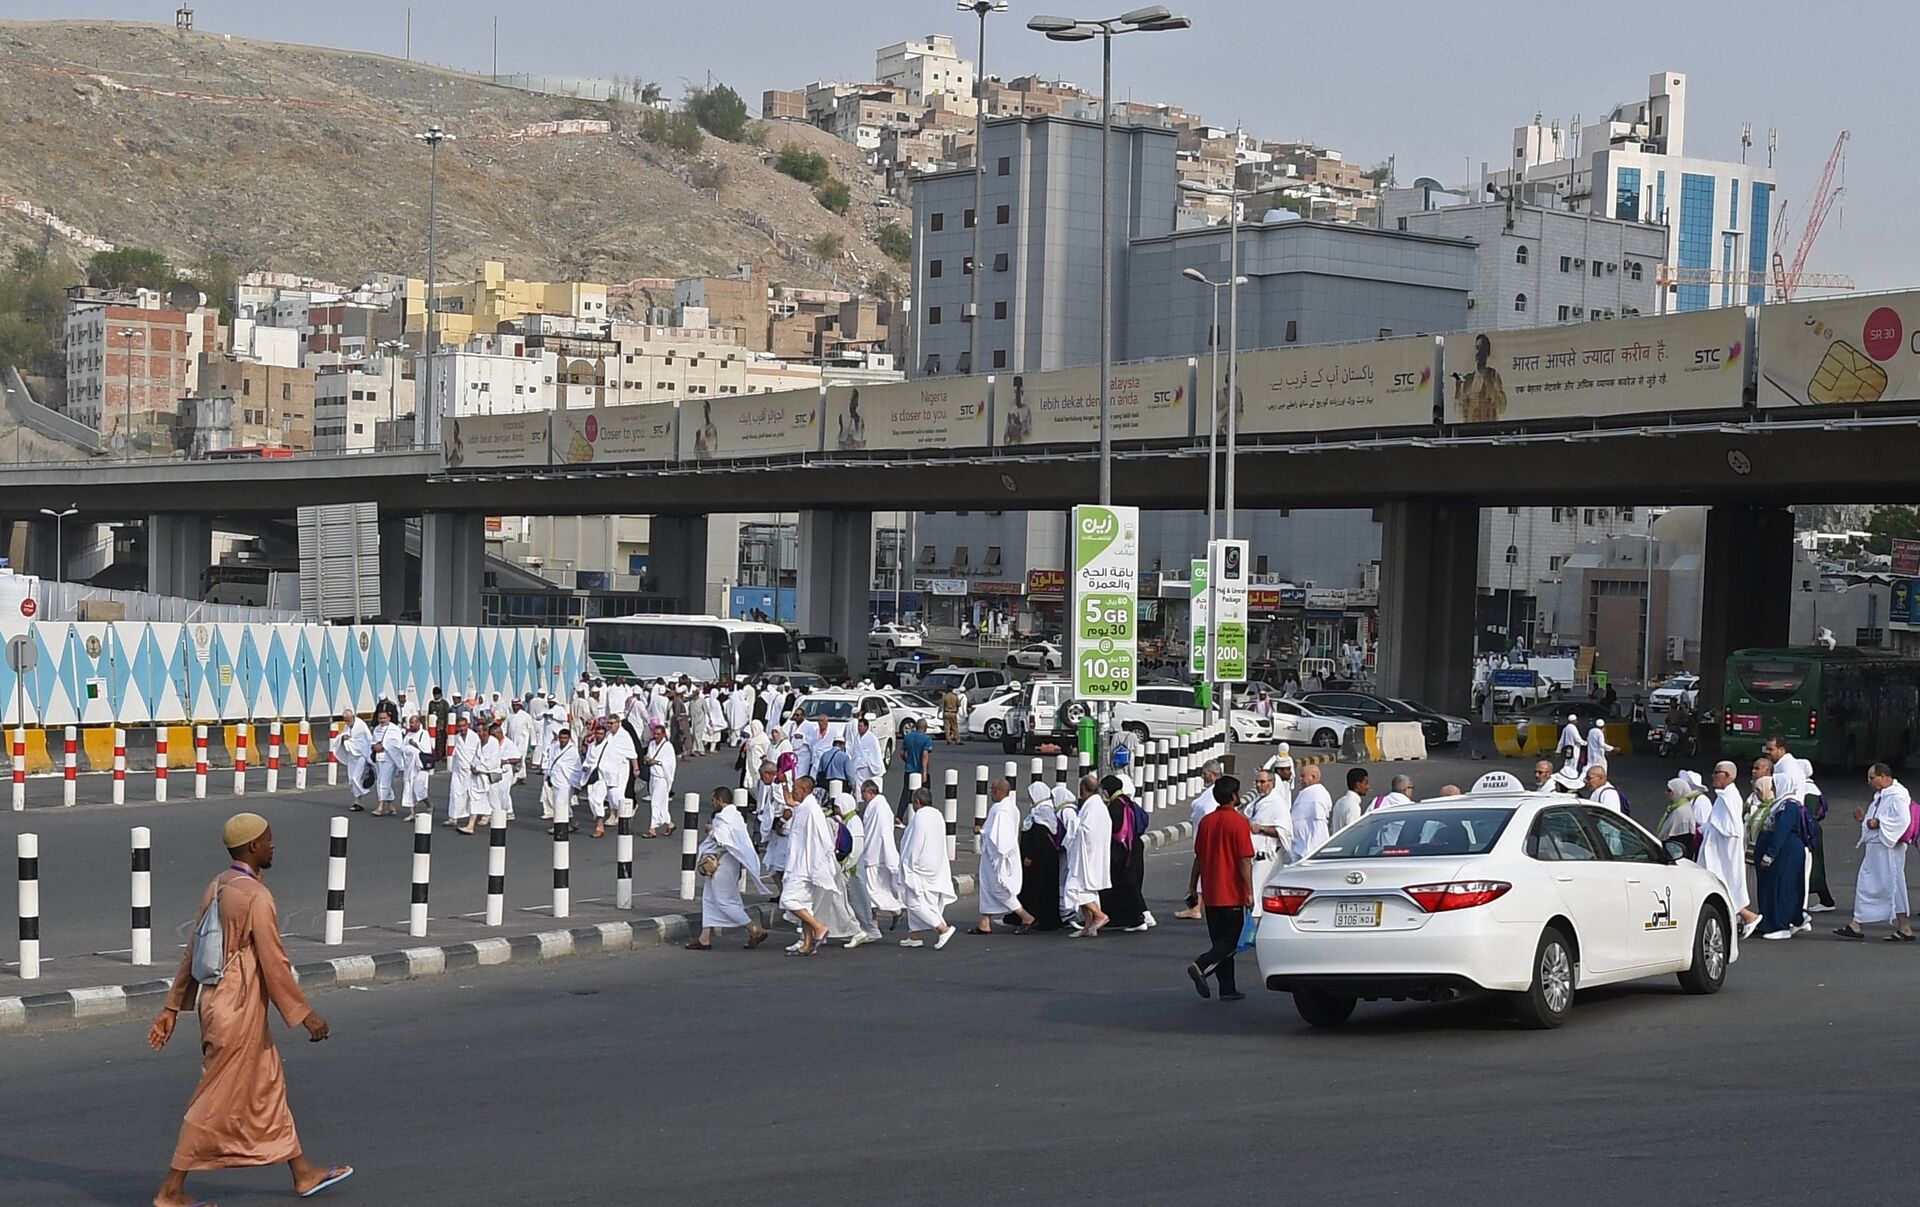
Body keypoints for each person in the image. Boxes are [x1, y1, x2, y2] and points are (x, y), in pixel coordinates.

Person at [148, 813, 351, 1207]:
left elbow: (193, 949)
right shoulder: (257, 897)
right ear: (253, 846)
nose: (273, 846)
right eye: (269, 840)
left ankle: (302, 1172)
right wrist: (305, 1014)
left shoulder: (220, 884)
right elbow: (274, 962)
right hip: (236, 1008)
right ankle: (170, 1190)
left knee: (268, 1085)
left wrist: (173, 1006)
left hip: (220, 1003)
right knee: (213, 1099)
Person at [1185, 776, 1253, 1002]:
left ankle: (1227, 988)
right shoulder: (1239, 823)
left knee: (1220, 942)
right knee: (1231, 943)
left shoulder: (1207, 822)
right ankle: (1201, 965)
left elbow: (1198, 857)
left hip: (1211, 892)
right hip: (1232, 892)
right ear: (1233, 796)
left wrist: (1193, 885)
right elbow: (1244, 860)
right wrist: (1250, 890)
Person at [1835, 764, 1915, 942]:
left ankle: (1857, 924)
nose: (1869, 782)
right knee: (1888, 885)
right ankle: (1902, 927)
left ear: (1884, 776)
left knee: (1880, 884)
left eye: (1872, 778)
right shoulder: (1883, 795)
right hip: (1879, 848)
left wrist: (1879, 823)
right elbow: (1879, 819)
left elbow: (1903, 820)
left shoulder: (1897, 796)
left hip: (1887, 848)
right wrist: (1865, 820)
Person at [688, 787, 772, 951]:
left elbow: (724, 839)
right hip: (724, 861)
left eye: (713, 800)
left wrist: (711, 831)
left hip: (723, 862)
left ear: (720, 800)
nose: (712, 803)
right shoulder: (733, 816)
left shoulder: (727, 818)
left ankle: (754, 929)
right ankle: (704, 938)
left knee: (724, 900)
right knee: (709, 898)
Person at [1765, 735, 1835, 914]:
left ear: (1782, 749)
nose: (1767, 752)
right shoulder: (1787, 768)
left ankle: (1798, 912)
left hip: (1801, 829)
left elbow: (1798, 809)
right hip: (1803, 828)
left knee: (1803, 871)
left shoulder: (1788, 773)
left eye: (1771, 749)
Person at [1699, 761, 1763, 938]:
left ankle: (1747, 917)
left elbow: (1731, 828)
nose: (1713, 776)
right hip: (1717, 851)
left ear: (1727, 775)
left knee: (1723, 884)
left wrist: (1711, 829)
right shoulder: (1723, 796)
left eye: (1716, 772)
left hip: (1723, 853)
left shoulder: (1730, 797)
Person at [777, 776, 839, 956]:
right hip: (799, 864)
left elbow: (823, 840)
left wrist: (819, 864)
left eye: (796, 788)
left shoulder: (812, 809)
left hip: (804, 867)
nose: (793, 791)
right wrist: (784, 784)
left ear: (804, 791)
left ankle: (819, 928)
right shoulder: (804, 806)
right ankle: (807, 944)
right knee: (803, 904)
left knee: (788, 900)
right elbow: (790, 801)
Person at [1754, 762, 1815, 940]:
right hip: (1784, 851)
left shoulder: (1788, 805)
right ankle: (1785, 919)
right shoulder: (1780, 803)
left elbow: (1781, 831)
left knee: (1782, 887)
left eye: (1774, 785)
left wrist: (1769, 854)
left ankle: (1780, 925)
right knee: (1778, 887)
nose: (1772, 789)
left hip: (1786, 852)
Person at [899, 788, 958, 949]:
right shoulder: (937, 815)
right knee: (927, 900)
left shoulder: (920, 817)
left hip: (921, 866)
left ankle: (942, 929)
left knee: (914, 903)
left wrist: (907, 864)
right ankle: (914, 936)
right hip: (935, 864)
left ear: (917, 802)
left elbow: (915, 843)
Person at [974, 779, 1034, 933]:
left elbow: (999, 836)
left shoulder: (1001, 810)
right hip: (993, 856)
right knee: (986, 885)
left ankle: (1025, 916)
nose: (992, 793)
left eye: (993, 790)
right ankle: (985, 922)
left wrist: (981, 831)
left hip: (998, 857)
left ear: (998, 792)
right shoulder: (1010, 807)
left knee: (999, 888)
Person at [1100, 774, 1151, 932]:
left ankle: (1136, 919)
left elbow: (1113, 831)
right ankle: (1135, 917)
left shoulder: (1115, 806)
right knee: (1131, 883)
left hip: (1122, 850)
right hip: (1134, 845)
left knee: (1123, 884)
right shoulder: (1128, 802)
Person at [854, 779, 905, 938]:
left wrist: (888, 854)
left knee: (871, 891)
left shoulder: (879, 807)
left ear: (870, 792)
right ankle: (874, 921)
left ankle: (893, 912)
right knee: (874, 890)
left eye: (863, 793)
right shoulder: (878, 806)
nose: (862, 797)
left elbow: (882, 833)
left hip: (875, 855)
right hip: (875, 854)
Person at [1062, 774, 1112, 936]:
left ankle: (1099, 915)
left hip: (1087, 856)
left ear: (1083, 789)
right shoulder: (1096, 805)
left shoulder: (1094, 807)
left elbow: (1087, 831)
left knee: (1074, 889)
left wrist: (1073, 825)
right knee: (1086, 890)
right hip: (1091, 855)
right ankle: (1088, 926)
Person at [1176, 761, 1225, 920]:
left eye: (1205, 774)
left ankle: (1196, 906)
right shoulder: (1212, 791)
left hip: (1207, 838)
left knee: (1203, 869)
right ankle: (1197, 904)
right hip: (1202, 836)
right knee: (1203, 869)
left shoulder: (1216, 793)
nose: (1202, 777)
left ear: (1213, 774)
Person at [1014, 785, 1067, 932]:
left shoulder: (1042, 814)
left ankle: (1038, 918)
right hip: (1045, 860)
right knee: (1042, 889)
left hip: (1040, 861)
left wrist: (1030, 856)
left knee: (1038, 889)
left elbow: (1039, 839)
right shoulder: (1041, 812)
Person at [1246, 768, 1293, 890]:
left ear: (1272, 783)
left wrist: (1261, 829)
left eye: (1262, 782)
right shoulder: (1257, 802)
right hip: (1253, 855)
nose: (1258, 785)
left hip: (1267, 857)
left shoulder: (1278, 804)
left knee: (1257, 890)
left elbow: (1283, 831)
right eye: (1257, 782)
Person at [1289, 763, 1333, 861]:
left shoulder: (1318, 794)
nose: (1300, 779)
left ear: (1313, 777)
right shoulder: (1306, 793)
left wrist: (1311, 849)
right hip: (1298, 846)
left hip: (1310, 849)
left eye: (1303, 776)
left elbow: (1318, 824)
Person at [643, 720, 677, 839]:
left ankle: (652, 828)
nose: (656, 736)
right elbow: (649, 756)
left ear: (663, 734)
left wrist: (656, 762)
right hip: (653, 776)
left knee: (655, 802)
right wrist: (647, 759)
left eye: (658, 734)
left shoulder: (668, 746)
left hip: (662, 778)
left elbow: (670, 763)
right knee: (662, 803)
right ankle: (670, 824)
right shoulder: (652, 744)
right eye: (655, 734)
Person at [367, 708, 403, 817]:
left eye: (384, 718)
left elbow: (398, 744)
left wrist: (384, 746)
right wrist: (375, 746)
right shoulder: (377, 729)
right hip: (379, 759)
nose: (382, 720)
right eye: (380, 718)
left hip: (389, 758)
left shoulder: (394, 729)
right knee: (384, 781)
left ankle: (381, 806)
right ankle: (391, 806)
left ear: (389, 718)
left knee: (383, 782)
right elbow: (373, 742)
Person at [338, 709, 372, 812]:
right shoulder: (347, 726)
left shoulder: (361, 725)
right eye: (345, 720)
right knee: (351, 778)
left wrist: (370, 756)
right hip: (352, 755)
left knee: (355, 777)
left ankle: (363, 792)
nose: (347, 722)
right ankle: (357, 801)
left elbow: (369, 738)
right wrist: (344, 737)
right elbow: (342, 735)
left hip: (362, 754)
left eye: (348, 720)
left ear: (353, 717)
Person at [402, 714, 434, 820]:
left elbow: (426, 749)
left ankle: (429, 805)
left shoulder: (424, 733)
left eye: (414, 722)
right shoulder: (408, 735)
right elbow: (403, 747)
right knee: (409, 789)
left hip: (420, 766)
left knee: (419, 789)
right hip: (409, 766)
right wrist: (409, 749)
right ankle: (412, 813)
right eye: (410, 723)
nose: (412, 725)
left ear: (418, 723)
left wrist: (414, 744)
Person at [897, 718, 934, 791]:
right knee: (923, 793)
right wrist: (924, 772)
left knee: (907, 791)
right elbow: (925, 756)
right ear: (925, 728)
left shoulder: (908, 737)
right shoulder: (927, 739)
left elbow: (902, 753)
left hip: (909, 770)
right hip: (920, 771)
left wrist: (907, 761)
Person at [1331, 767, 1368, 834]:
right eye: (1365, 783)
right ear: (1357, 785)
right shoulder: (1353, 806)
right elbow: (1353, 833)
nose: (1368, 787)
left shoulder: (1340, 801)